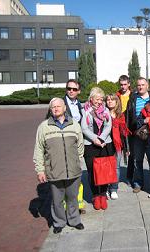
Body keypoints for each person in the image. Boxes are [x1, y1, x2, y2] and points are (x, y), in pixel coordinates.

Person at [33, 97, 84, 234]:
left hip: (73, 170)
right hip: (54, 171)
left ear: (64, 108)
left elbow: (80, 145)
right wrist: (40, 170)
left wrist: (76, 160)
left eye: (58, 106)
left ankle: (74, 220)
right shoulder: (44, 127)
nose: (55, 109)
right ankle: (59, 222)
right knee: (57, 200)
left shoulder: (74, 124)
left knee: (73, 198)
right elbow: (38, 150)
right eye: (53, 107)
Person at [81, 87, 114, 210]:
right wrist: (95, 139)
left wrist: (101, 138)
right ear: (91, 99)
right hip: (90, 145)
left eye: (101, 99)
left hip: (104, 144)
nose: (99, 101)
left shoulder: (105, 110)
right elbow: (84, 128)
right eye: (97, 99)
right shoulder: (85, 110)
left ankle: (103, 194)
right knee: (92, 172)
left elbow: (108, 125)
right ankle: (95, 195)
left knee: (104, 171)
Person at [126, 77, 150, 193]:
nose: (140, 87)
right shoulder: (133, 99)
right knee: (137, 160)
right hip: (137, 134)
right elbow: (129, 116)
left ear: (147, 86)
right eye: (139, 85)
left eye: (143, 85)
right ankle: (138, 183)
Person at [64, 79, 86, 214]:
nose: (71, 91)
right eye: (69, 88)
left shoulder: (79, 104)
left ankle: (78, 203)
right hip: (65, 144)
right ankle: (67, 206)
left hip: (77, 143)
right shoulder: (60, 104)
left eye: (74, 89)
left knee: (77, 173)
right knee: (66, 174)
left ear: (78, 91)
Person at [106, 94, 130, 200]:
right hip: (106, 144)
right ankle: (105, 187)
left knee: (116, 167)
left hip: (118, 145)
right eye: (108, 100)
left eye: (112, 100)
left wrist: (127, 148)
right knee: (106, 167)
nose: (110, 101)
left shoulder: (120, 115)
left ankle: (114, 189)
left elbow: (124, 133)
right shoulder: (103, 114)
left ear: (117, 102)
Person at [116, 75, 134, 183]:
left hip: (130, 126)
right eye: (121, 84)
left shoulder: (133, 96)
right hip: (119, 126)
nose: (123, 86)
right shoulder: (117, 95)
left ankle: (129, 176)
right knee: (118, 152)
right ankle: (115, 177)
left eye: (125, 84)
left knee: (130, 153)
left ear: (129, 84)